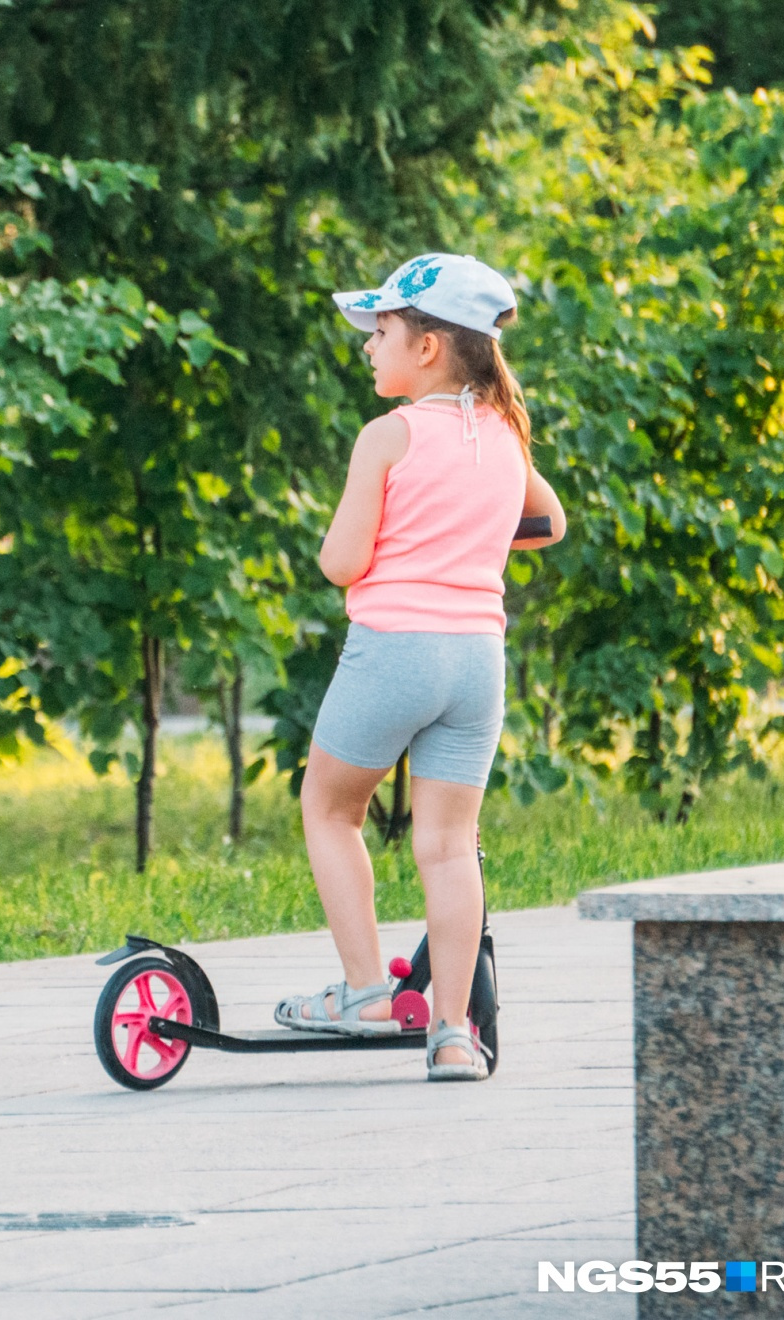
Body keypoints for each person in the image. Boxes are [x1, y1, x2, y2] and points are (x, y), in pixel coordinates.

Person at [273, 253, 566, 1082]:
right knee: (448, 847)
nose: (369, 344)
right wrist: (467, 538)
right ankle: (450, 1036)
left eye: (381, 330)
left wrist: (393, 544)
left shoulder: (389, 436)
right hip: (477, 661)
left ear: (429, 346)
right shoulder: (507, 435)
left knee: (330, 810)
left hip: (393, 651)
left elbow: (340, 562)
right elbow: (551, 522)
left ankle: (367, 992)